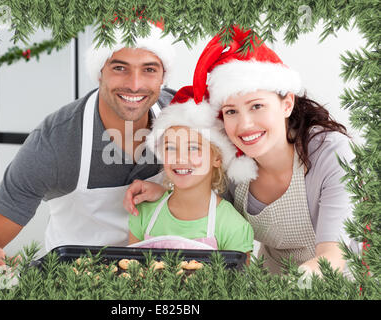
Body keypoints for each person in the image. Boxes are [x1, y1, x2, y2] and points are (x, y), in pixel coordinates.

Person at [124, 26, 359, 277]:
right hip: (270, 279)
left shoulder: (331, 153)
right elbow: (206, 202)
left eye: (256, 106)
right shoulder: (232, 159)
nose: (245, 125)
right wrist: (165, 192)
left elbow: (333, 256)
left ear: (287, 103)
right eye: (231, 111)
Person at [0, 23, 177, 273]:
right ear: (100, 72)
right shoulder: (56, 141)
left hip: (163, 275)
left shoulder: (183, 117)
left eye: (149, 69)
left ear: (163, 77)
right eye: (119, 67)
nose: (135, 84)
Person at [127, 86, 257, 264]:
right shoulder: (143, 214)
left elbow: (237, 289)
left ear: (217, 158)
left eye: (193, 148)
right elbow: (129, 276)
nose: (180, 158)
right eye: (170, 148)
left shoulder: (233, 227)